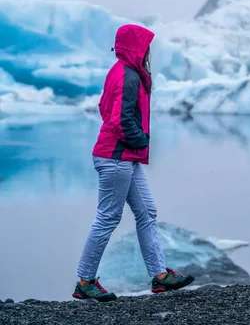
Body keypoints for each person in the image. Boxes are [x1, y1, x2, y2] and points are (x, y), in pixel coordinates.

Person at [73, 24, 194, 302]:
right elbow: (118, 118)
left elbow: (104, 109)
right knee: (107, 218)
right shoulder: (129, 76)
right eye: (146, 46)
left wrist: (136, 144)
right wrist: (140, 140)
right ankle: (84, 281)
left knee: (147, 212)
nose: (149, 51)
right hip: (116, 156)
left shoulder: (121, 71)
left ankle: (160, 276)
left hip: (123, 156)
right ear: (136, 47)